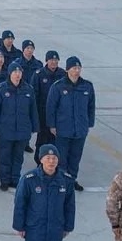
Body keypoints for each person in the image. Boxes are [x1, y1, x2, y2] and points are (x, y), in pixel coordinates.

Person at [46, 56, 95, 191]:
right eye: (74, 68)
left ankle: (72, 180)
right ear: (67, 70)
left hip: (80, 129)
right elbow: (51, 107)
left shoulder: (87, 86)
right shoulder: (58, 86)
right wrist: (52, 125)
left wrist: (89, 123)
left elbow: (91, 106)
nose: (77, 71)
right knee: (61, 157)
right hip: (63, 128)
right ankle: (61, 181)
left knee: (75, 157)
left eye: (79, 68)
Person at [0, 60, 38, 191]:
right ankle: (4, 180)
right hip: (5, 130)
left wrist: (34, 127)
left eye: (19, 72)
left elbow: (33, 110)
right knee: (4, 156)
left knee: (18, 157)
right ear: (9, 73)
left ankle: (15, 179)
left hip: (22, 130)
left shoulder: (28, 89)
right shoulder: (0, 89)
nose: (17, 74)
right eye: (15, 72)